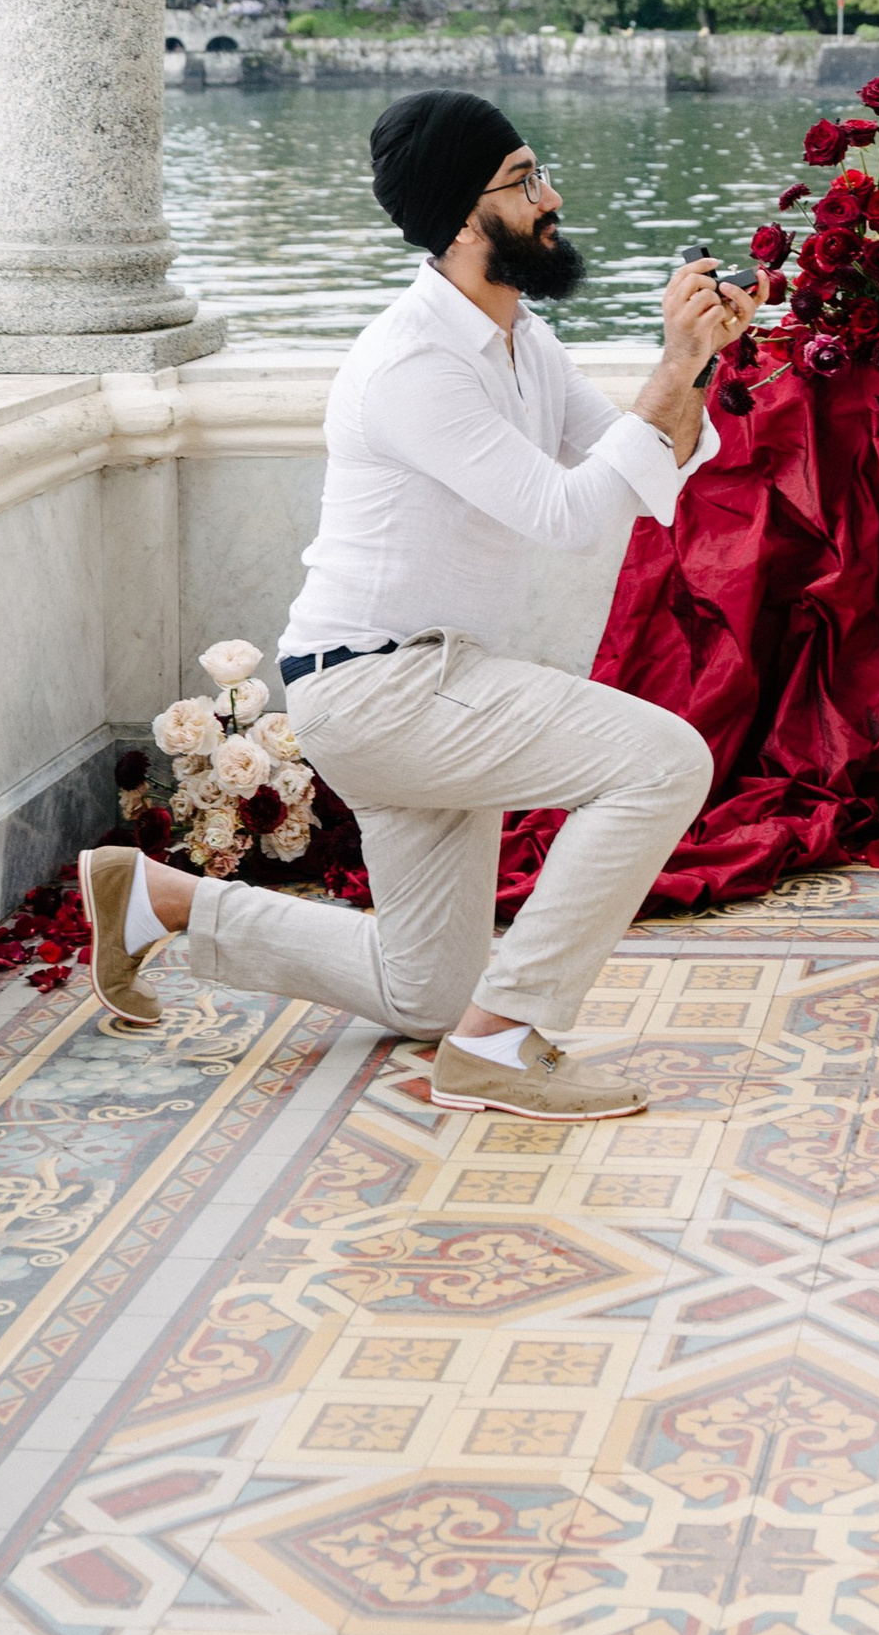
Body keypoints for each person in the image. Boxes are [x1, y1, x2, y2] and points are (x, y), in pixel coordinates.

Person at [78, 89, 760, 1121]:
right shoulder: (414, 364)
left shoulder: (518, 337)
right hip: (384, 687)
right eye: (525, 178)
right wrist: (672, 361)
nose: (552, 196)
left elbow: (630, 444)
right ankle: (504, 1041)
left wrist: (693, 362)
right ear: (461, 209)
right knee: (665, 760)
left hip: (426, 682)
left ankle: (157, 899)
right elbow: (570, 513)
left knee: (423, 988)